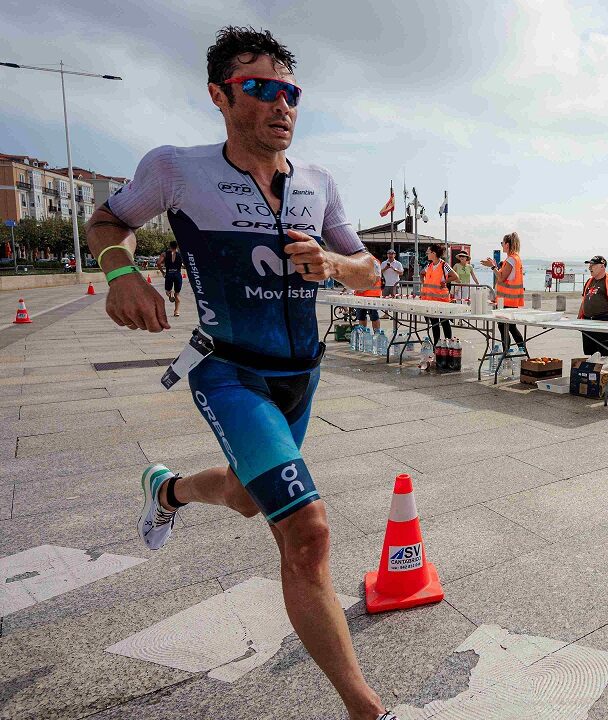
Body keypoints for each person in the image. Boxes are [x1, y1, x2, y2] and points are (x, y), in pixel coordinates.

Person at [85, 27, 396, 720]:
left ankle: (167, 491)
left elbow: (368, 267)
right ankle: (365, 709)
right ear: (220, 96)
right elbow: (106, 222)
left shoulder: (317, 183)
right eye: (259, 89)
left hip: (300, 375)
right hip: (228, 372)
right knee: (307, 531)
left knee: (253, 496)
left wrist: (334, 264)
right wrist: (122, 274)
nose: (280, 105)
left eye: (289, 92)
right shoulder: (177, 168)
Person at [481, 232, 525, 354]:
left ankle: (508, 350)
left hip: (507, 300)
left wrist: (492, 267)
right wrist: (494, 265)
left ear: (507, 244)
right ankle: (520, 349)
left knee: (504, 326)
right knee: (510, 326)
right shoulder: (515, 258)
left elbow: (501, 277)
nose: (501, 245)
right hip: (510, 299)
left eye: (502, 243)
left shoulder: (511, 259)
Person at [578, 255, 608, 356]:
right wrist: (579, 318)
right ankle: (593, 369)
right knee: (590, 351)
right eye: (590, 265)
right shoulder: (589, 281)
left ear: (602, 266)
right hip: (587, 320)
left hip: (602, 320)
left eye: (593, 265)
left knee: (605, 351)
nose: (589, 268)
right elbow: (584, 300)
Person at [421, 243, 458, 346]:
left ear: (434, 253)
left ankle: (448, 345)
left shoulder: (444, 265)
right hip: (430, 300)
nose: (427, 254)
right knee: (434, 324)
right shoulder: (429, 265)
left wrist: (445, 281)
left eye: (428, 252)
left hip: (442, 301)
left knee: (445, 323)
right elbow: (422, 273)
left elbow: (455, 276)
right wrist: (423, 283)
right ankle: (436, 346)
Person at [155, 240, 184, 318]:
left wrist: (163, 272)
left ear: (169, 246)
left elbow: (158, 263)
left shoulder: (164, 254)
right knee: (177, 294)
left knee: (168, 291)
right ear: (177, 246)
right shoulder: (181, 254)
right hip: (177, 274)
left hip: (169, 274)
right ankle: (177, 311)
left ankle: (170, 294)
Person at [355, 255, 382, 333]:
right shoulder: (357, 261)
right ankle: (363, 335)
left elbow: (377, 277)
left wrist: (364, 288)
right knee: (361, 317)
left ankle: (377, 335)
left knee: (374, 316)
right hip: (360, 295)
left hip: (372, 294)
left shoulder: (374, 261)